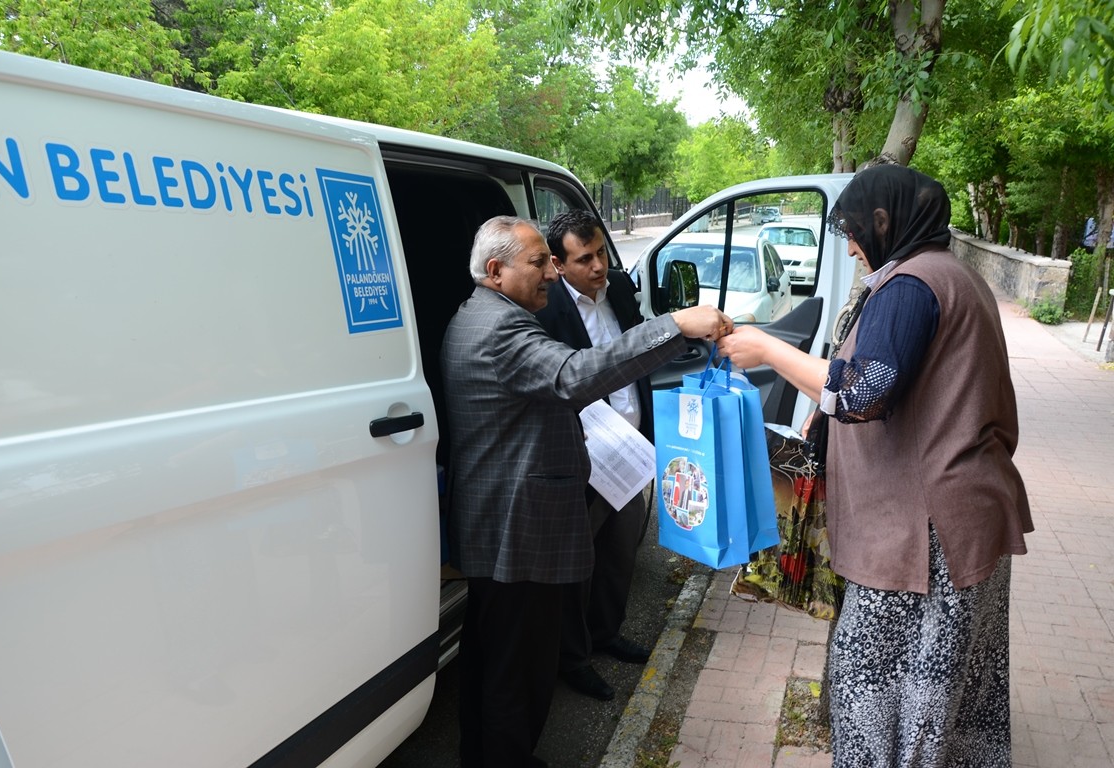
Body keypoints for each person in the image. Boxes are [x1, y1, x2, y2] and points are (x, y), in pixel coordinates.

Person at [717, 164, 1033, 767]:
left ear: (884, 223)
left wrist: (766, 349)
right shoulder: (952, 275)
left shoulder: (912, 287)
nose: (854, 246)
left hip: (925, 534)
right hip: (964, 516)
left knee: (880, 675)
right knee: (956, 678)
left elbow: (864, 392)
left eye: (856, 231)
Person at [442, 215, 730, 768]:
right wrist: (676, 325)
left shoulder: (475, 314)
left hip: (496, 519)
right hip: (517, 530)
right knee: (517, 667)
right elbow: (576, 373)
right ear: (497, 271)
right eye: (539, 262)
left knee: (492, 658)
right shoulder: (503, 330)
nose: (552, 271)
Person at [534, 209, 652, 702]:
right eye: (585, 259)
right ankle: (573, 659)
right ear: (559, 265)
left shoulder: (621, 290)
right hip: (584, 457)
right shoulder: (547, 310)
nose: (600, 266)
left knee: (621, 552)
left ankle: (607, 632)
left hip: (630, 449)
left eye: (602, 252)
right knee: (577, 568)